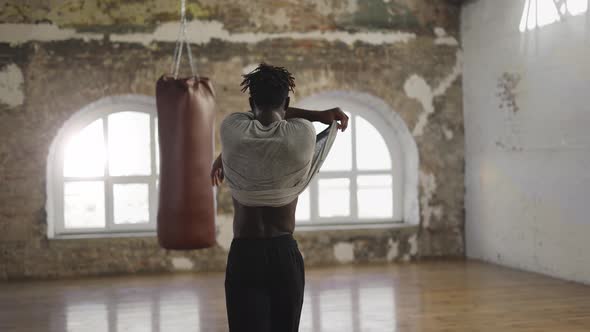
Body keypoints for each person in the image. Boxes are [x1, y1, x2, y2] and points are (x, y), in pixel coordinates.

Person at [210, 63, 348, 332]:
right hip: (284, 254)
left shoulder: (232, 130)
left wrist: (222, 156)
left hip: (245, 254)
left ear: (251, 101)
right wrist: (320, 114)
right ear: (286, 101)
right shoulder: (303, 133)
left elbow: (255, 120)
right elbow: (283, 116)